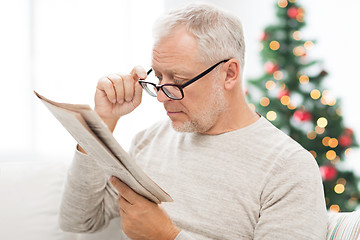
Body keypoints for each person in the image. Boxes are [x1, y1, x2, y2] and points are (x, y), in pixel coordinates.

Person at [59, 3, 328, 240]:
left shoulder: (288, 168)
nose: (162, 97)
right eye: (159, 77)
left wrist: (167, 236)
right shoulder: (150, 140)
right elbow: (80, 220)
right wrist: (102, 123)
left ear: (229, 74)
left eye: (177, 80)